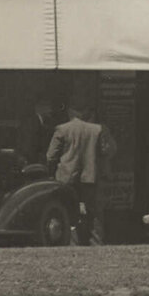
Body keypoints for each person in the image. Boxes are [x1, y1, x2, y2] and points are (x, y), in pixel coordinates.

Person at [46, 102, 117, 245]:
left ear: (70, 113)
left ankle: (71, 243)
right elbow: (110, 150)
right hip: (90, 177)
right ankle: (96, 242)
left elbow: (50, 156)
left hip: (66, 178)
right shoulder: (98, 129)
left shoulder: (62, 129)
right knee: (94, 213)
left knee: (68, 210)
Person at [18, 97, 59, 169]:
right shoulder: (31, 123)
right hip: (32, 162)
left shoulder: (44, 123)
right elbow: (28, 144)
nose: (51, 110)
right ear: (40, 108)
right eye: (48, 107)